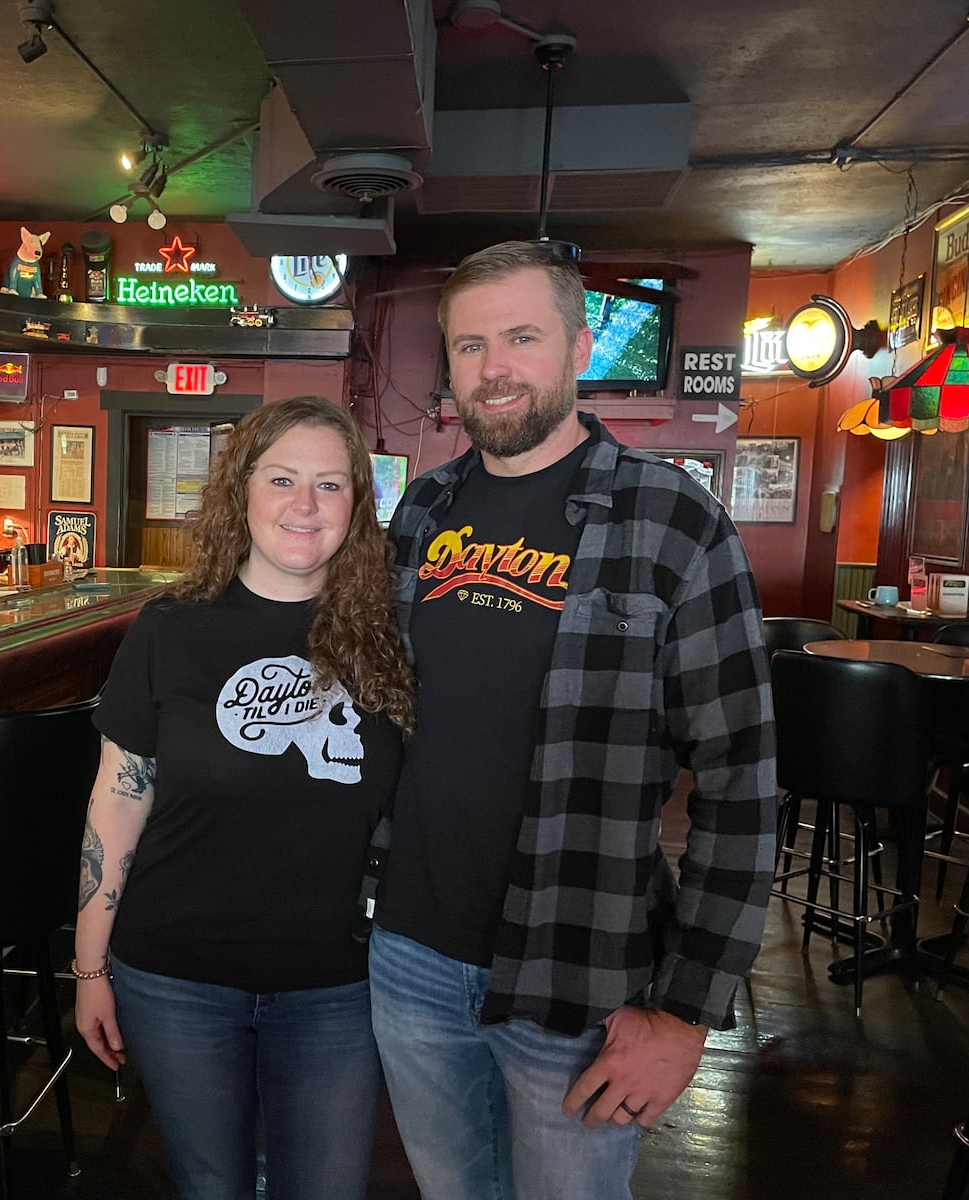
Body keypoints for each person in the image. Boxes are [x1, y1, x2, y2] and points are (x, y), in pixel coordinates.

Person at [369, 241, 777, 1199]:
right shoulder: (422, 510)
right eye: (469, 346)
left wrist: (684, 1018)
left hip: (578, 974)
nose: (493, 367)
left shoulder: (673, 519)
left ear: (582, 348)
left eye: (522, 337)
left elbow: (742, 784)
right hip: (409, 957)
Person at [74, 396, 416, 1200]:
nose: (306, 505)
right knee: (209, 1186)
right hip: (175, 976)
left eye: (331, 486)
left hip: (340, 983)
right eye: (283, 479)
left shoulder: (392, 636)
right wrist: (90, 967)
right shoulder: (171, 628)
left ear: (358, 507)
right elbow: (118, 802)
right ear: (242, 493)